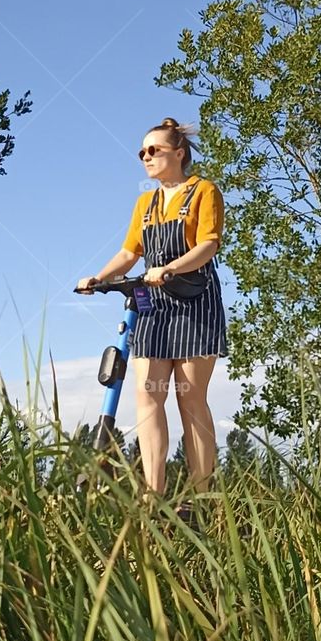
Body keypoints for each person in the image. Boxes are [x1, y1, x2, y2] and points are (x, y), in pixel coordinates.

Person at [76, 117, 227, 516]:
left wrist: (172, 267)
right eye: (142, 152)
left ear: (178, 153)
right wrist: (99, 277)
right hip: (153, 304)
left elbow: (209, 245)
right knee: (147, 395)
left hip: (194, 302)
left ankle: (200, 499)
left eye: (153, 150)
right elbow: (130, 253)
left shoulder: (203, 192)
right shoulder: (146, 203)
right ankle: (152, 498)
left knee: (190, 398)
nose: (146, 157)